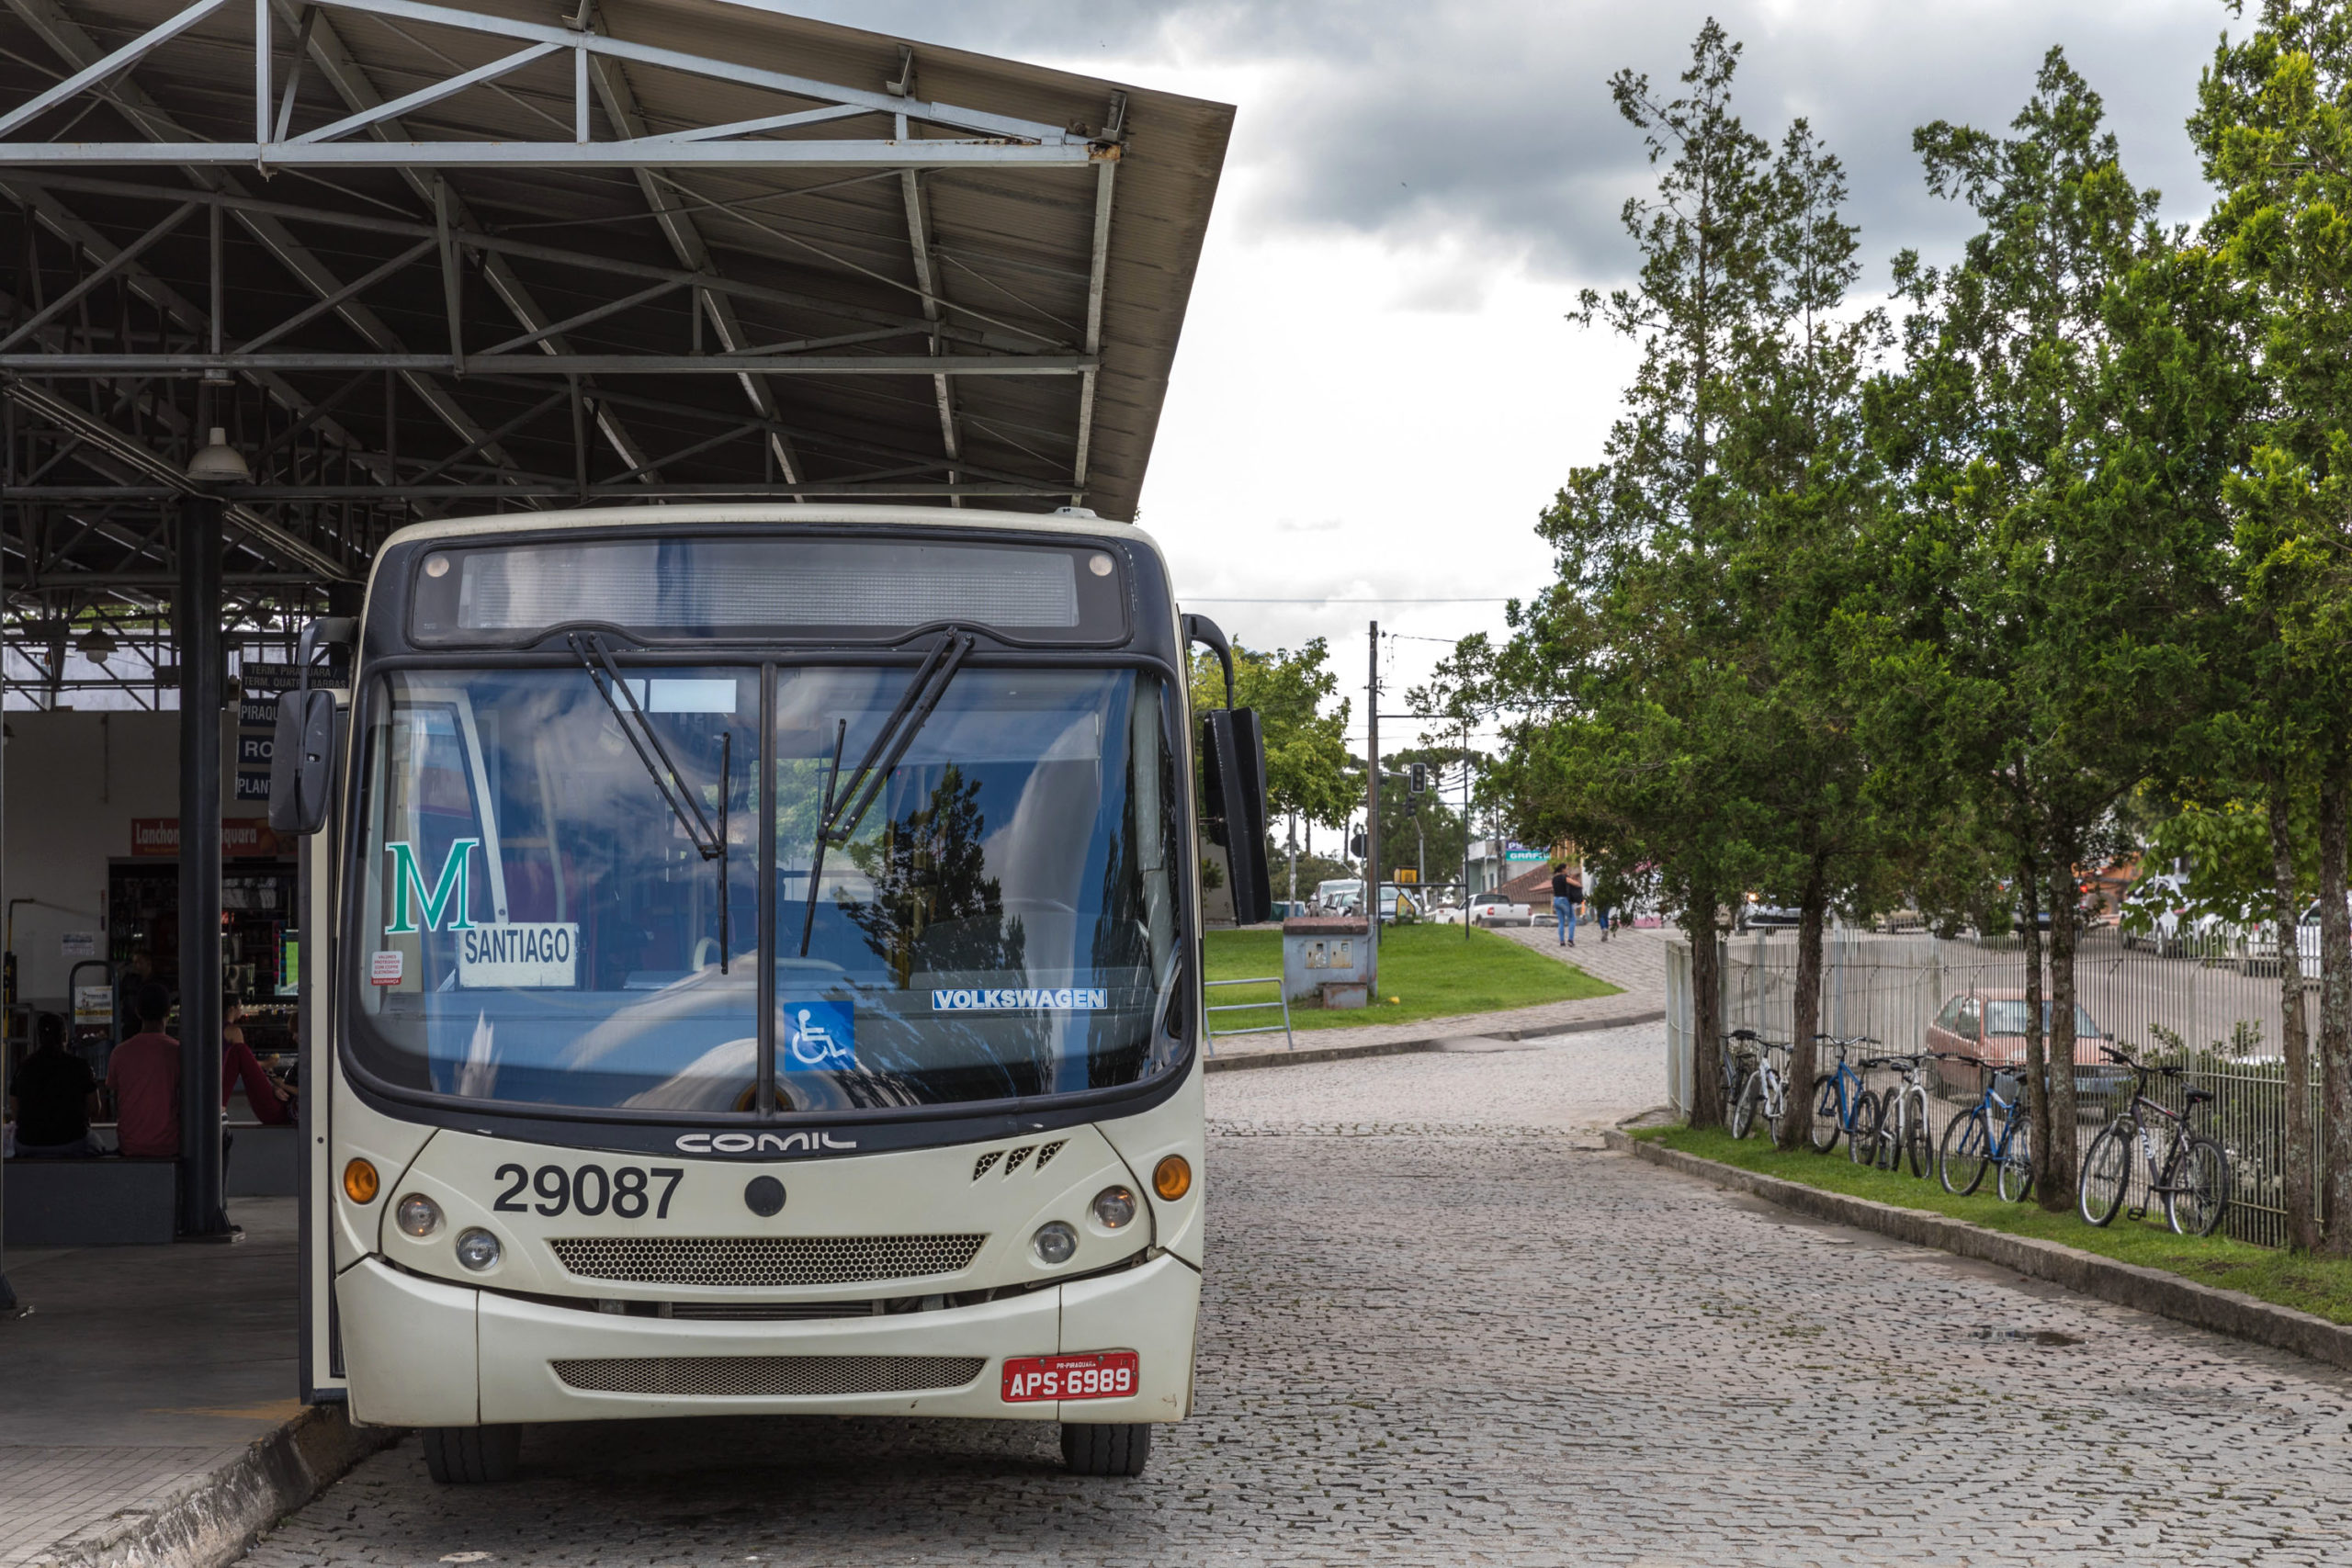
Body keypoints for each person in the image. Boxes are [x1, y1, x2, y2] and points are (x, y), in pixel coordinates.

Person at [105, 982, 181, 1158]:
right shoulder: (178, 1052)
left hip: (129, 1147)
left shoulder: (120, 1053)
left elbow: (117, 1102)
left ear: (138, 1012)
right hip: (169, 1147)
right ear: (169, 1012)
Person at [8, 1011, 101, 1156]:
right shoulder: (80, 1066)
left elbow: (15, 1111)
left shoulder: (23, 1067)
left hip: (27, 1144)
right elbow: (94, 1109)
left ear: (39, 1038)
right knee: (98, 1145)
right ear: (64, 1036)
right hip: (73, 1141)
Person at [221, 1000, 295, 1125]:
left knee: (239, 1050)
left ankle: (221, 1107)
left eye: (296, 1032)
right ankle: (221, 1107)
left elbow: (305, 1093)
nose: (294, 1037)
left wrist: (280, 1084)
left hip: (283, 1111)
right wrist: (277, 1085)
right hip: (282, 1104)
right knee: (239, 1051)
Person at [1552, 863, 1583, 948]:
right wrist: (1579, 885)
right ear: (1563, 869)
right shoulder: (1564, 877)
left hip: (1556, 900)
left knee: (1561, 922)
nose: (1568, 869)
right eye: (1567, 868)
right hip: (1564, 900)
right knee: (1572, 919)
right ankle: (1570, 940)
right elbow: (1575, 884)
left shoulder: (1554, 879)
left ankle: (1562, 941)